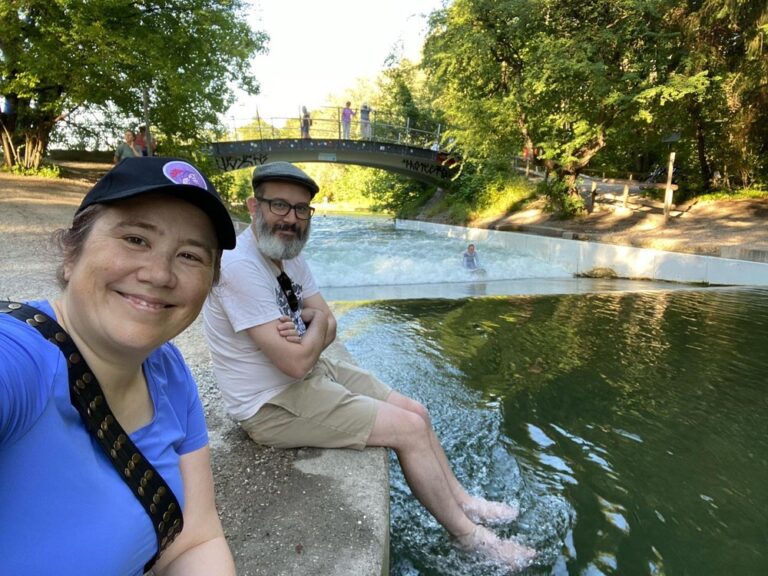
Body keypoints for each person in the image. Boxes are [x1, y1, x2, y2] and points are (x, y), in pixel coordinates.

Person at [202, 161, 536, 571]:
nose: (291, 218)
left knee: (418, 412)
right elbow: (293, 361)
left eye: (301, 209)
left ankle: (464, 502)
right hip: (271, 402)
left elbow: (329, 325)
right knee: (408, 431)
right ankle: (468, 538)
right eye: (279, 205)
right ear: (254, 206)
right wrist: (315, 324)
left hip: (313, 374)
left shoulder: (288, 256)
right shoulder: (240, 266)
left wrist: (317, 324)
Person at [0, 157, 238, 575]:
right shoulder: (19, 360)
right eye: (135, 239)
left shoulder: (167, 369)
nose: (160, 274)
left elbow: (195, 539)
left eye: (189, 255)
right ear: (72, 252)